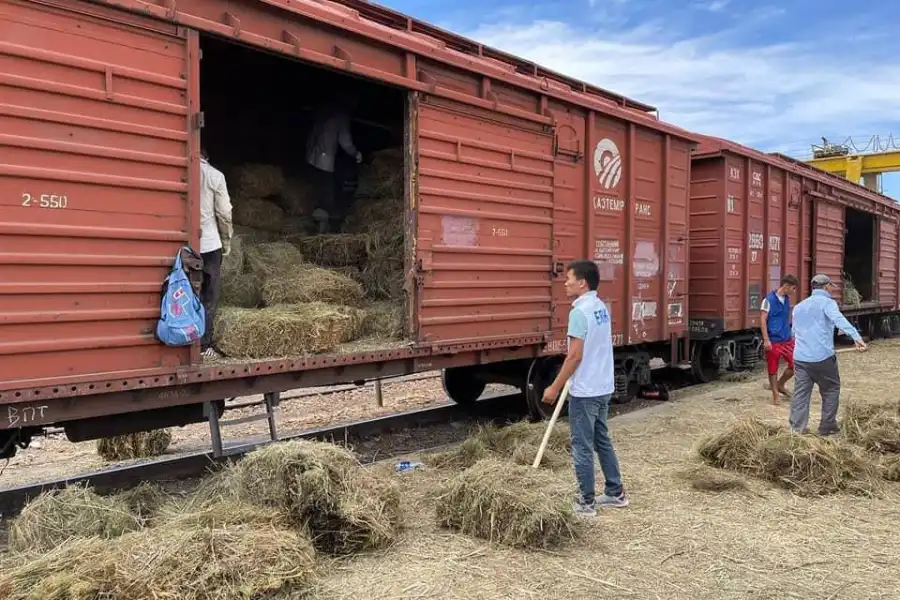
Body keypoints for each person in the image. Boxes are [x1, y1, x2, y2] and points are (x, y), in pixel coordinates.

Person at [542, 260, 627, 517]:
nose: (565, 283)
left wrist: (554, 387)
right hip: (603, 386)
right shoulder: (600, 307)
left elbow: (574, 356)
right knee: (602, 439)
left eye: (569, 278)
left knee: (582, 445)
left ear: (582, 283)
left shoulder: (579, 312)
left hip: (586, 390)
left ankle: (585, 502)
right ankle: (615, 492)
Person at [790, 274, 867, 434]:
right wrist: (857, 338)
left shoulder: (798, 307)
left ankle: (797, 429)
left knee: (800, 394)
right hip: (822, 357)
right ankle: (827, 426)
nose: (832, 289)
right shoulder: (828, 303)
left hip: (800, 358)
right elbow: (838, 319)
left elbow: (793, 333)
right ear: (825, 287)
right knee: (831, 389)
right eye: (831, 286)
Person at [305, 97, 363, 233]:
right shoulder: (341, 117)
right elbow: (345, 141)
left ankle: (314, 220)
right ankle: (323, 228)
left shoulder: (324, 112)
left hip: (312, 157)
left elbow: (313, 134)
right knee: (327, 195)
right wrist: (356, 154)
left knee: (316, 189)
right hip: (324, 160)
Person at [199, 147, 233, 360]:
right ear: (207, 156)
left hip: (184, 245)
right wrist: (227, 241)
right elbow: (224, 212)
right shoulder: (214, 175)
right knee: (209, 296)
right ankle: (204, 345)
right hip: (209, 244)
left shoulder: (178, 173)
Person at [760, 274, 799, 405]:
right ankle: (775, 394)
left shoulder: (787, 300)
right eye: (793, 288)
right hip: (773, 340)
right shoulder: (768, 300)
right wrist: (766, 340)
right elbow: (762, 320)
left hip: (787, 339)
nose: (794, 292)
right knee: (773, 367)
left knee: (796, 364)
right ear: (786, 286)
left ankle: (780, 384)